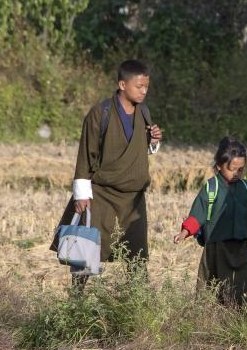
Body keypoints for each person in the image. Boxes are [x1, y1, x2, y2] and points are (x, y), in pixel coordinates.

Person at [50, 59, 163, 266]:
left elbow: (135, 151)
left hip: (133, 197)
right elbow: (85, 153)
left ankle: (137, 297)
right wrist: (81, 195)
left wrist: (153, 141)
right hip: (102, 194)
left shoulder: (144, 112)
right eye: (139, 86)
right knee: (86, 251)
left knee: (136, 255)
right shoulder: (100, 113)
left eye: (146, 86)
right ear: (122, 85)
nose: (144, 91)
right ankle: (77, 297)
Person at [174, 137, 247, 305]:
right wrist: (185, 232)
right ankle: (213, 324)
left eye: (241, 169)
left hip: (241, 250)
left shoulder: (246, 188)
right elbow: (198, 214)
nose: (237, 174)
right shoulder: (211, 187)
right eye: (233, 169)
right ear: (219, 165)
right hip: (216, 250)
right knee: (214, 293)